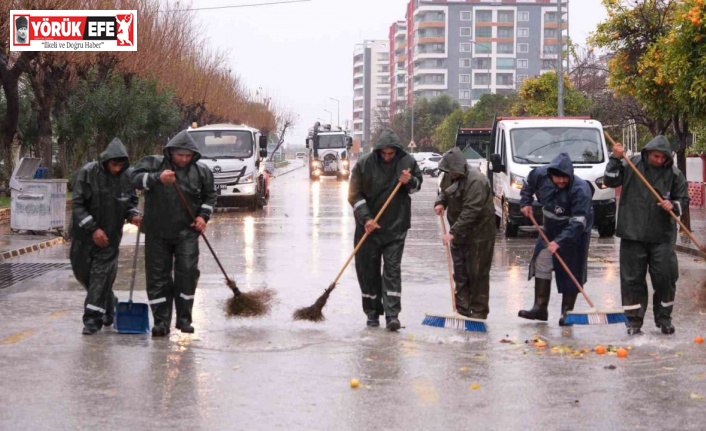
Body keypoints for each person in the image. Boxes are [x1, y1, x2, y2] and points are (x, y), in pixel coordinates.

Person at [131, 130, 217, 336]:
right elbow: (133, 179)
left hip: (186, 232)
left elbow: (210, 196)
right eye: (180, 155)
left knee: (187, 273)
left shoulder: (202, 172)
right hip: (156, 232)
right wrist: (156, 178)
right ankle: (161, 321)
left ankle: (184, 319)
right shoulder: (153, 163)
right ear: (171, 153)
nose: (184, 159)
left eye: (188, 156)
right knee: (157, 277)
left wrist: (203, 216)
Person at [604, 136, 689, 335]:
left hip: (662, 235)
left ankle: (664, 318)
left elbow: (682, 199)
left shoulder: (675, 174)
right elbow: (610, 180)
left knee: (666, 277)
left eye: (663, 157)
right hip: (633, 232)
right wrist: (615, 159)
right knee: (632, 279)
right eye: (655, 156)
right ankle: (633, 321)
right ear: (647, 152)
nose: (659, 160)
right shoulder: (631, 164)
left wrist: (673, 205)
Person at [348, 128, 423, 331]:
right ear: (378, 151)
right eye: (384, 153)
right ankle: (372, 313)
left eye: (392, 154)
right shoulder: (364, 164)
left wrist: (411, 181)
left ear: (397, 151)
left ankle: (392, 315)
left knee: (392, 270)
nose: (388, 157)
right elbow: (354, 195)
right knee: (368, 271)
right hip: (369, 229)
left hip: (396, 227)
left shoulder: (407, 162)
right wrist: (367, 219)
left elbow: (417, 186)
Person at [70, 138, 141, 335]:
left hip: (109, 239)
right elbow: (77, 204)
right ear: (105, 161)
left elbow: (130, 201)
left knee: (100, 278)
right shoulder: (87, 173)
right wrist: (93, 229)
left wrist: (133, 214)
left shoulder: (127, 177)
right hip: (83, 236)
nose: (116, 169)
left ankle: (92, 320)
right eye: (113, 164)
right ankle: (111, 303)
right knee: (83, 274)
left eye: (120, 165)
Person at [518, 152, 594, 326]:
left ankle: (567, 312)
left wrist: (559, 242)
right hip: (550, 227)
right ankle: (540, 308)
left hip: (576, 230)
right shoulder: (539, 174)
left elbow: (578, 222)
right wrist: (525, 203)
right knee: (542, 260)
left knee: (571, 268)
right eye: (557, 178)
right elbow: (527, 186)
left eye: (565, 178)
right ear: (550, 174)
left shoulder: (580, 190)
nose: (561, 181)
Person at [434, 147, 496, 319]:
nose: (450, 174)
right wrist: (440, 203)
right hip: (459, 233)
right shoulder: (449, 175)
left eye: (452, 171)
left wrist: (452, 232)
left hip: (480, 234)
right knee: (460, 273)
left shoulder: (476, 181)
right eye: (448, 172)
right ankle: (461, 310)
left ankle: (478, 312)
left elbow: (471, 211)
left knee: (477, 274)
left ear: (459, 168)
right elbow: (445, 192)